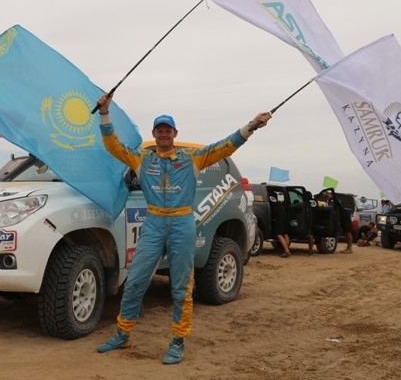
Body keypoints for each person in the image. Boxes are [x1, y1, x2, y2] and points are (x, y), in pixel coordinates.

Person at [94, 92, 272, 365]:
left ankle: (178, 340)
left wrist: (252, 126)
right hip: (153, 223)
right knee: (136, 281)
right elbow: (112, 145)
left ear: (175, 133)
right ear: (154, 133)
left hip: (182, 223)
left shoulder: (192, 158)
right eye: (160, 130)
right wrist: (104, 113)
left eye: (168, 130)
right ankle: (123, 333)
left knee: (181, 286)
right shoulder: (142, 158)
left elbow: (225, 146)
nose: (164, 134)